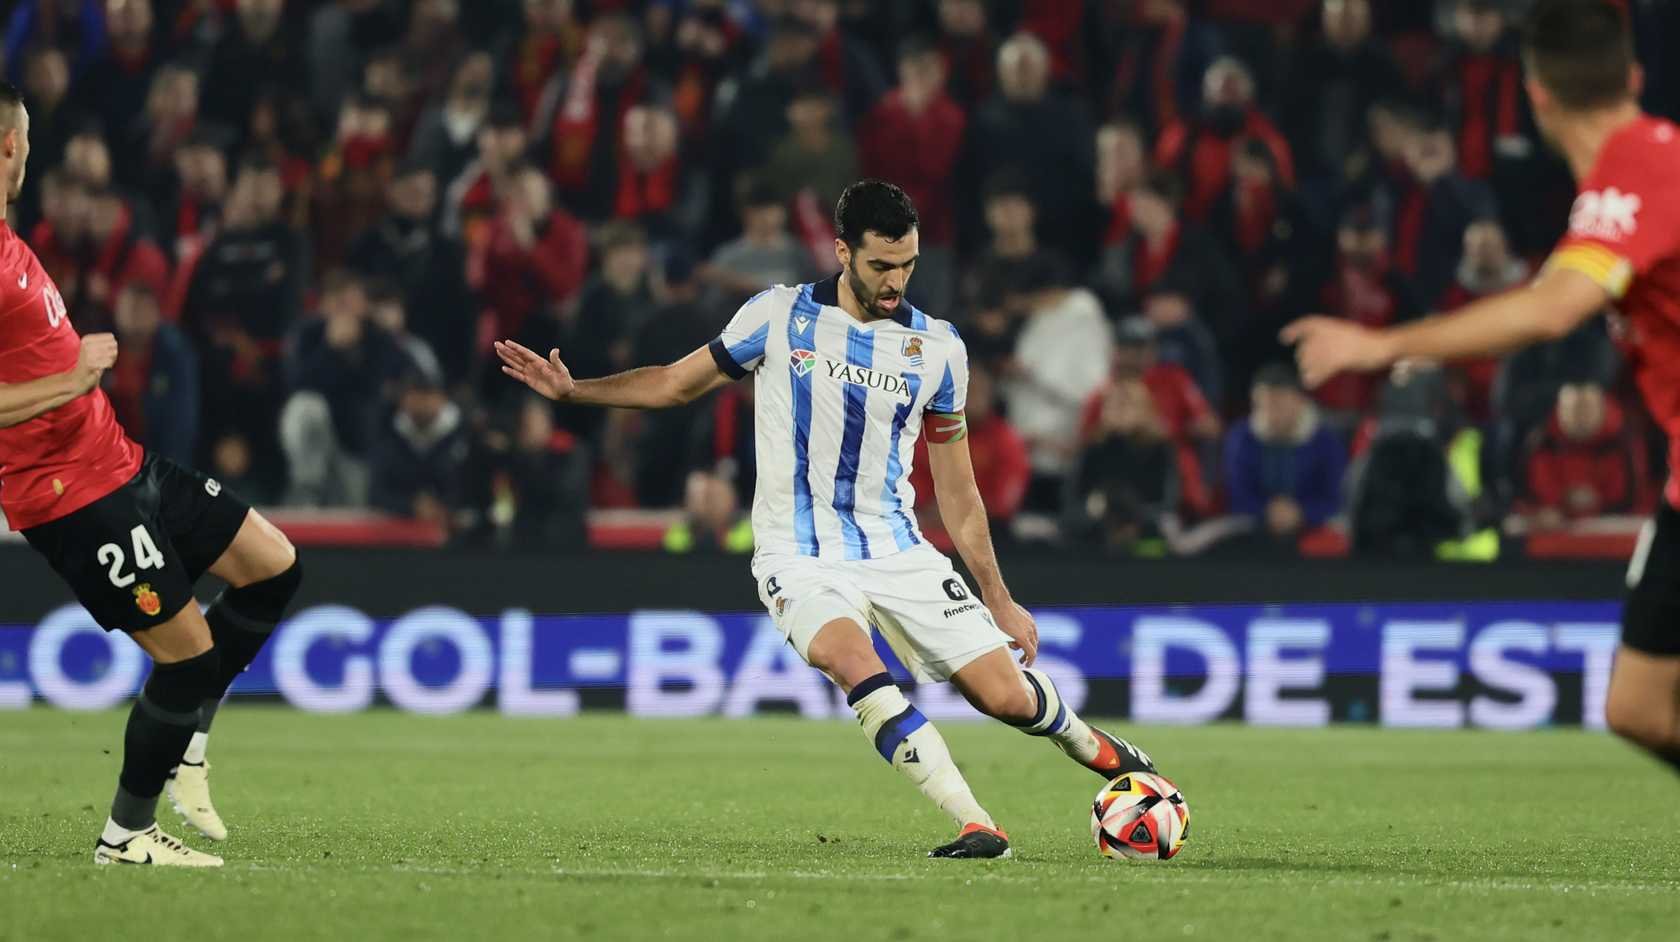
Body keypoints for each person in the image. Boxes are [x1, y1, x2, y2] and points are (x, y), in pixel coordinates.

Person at [497, 180, 1161, 858]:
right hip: (798, 552)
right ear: (843, 252)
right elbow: (675, 382)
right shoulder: (777, 317)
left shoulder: (939, 350)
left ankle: (1107, 753)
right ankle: (977, 823)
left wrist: (999, 596)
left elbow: (959, 492)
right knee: (853, 661)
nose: (897, 280)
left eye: (908, 264)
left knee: (1007, 699)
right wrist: (576, 391)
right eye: (880, 266)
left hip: (897, 546)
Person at [1284, 0, 1680, 777]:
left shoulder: (1637, 171)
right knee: (1636, 707)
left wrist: (1382, 343)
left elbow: (1552, 307)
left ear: (1536, 94)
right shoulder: (1643, 169)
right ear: (1631, 76)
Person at [0, 80, 300, 866]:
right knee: (189, 655)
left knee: (272, 567)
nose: (32, 150)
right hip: (68, 495)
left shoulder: (10, 243)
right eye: (27, 137)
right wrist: (70, 380)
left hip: (119, 459)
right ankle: (126, 833)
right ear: (9, 146)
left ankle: (189, 744)